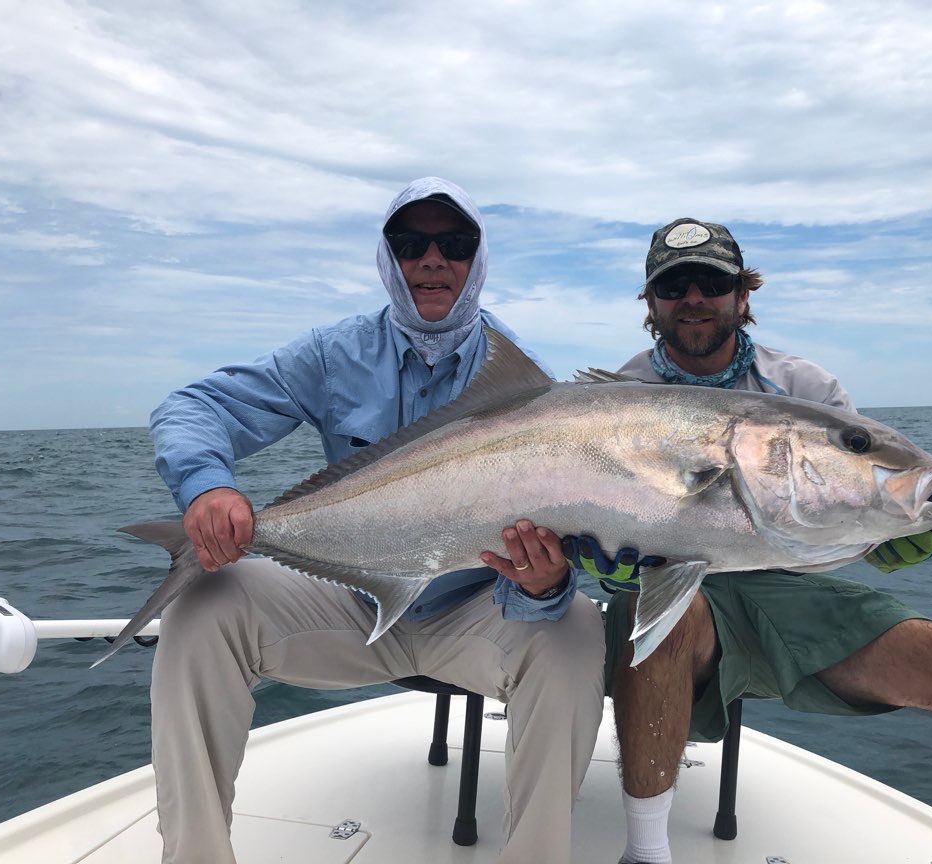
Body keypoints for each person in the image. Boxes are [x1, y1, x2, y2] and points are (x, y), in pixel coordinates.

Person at [569, 218, 932, 864]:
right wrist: (602, 563)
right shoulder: (608, 404)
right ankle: (647, 854)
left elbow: (836, 498)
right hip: (682, 596)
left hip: (788, 592)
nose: (692, 297)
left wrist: (881, 528)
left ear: (743, 295)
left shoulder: (806, 390)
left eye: (711, 281)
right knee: (665, 615)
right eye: (673, 284)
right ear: (650, 303)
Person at [147, 177, 604, 864]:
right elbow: (193, 409)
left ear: (477, 259)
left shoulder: (526, 385)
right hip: (352, 605)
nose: (432, 259)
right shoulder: (336, 354)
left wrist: (540, 587)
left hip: (475, 611)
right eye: (409, 242)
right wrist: (210, 487)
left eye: (454, 244)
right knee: (201, 605)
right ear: (387, 259)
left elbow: (554, 543)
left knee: (574, 632)